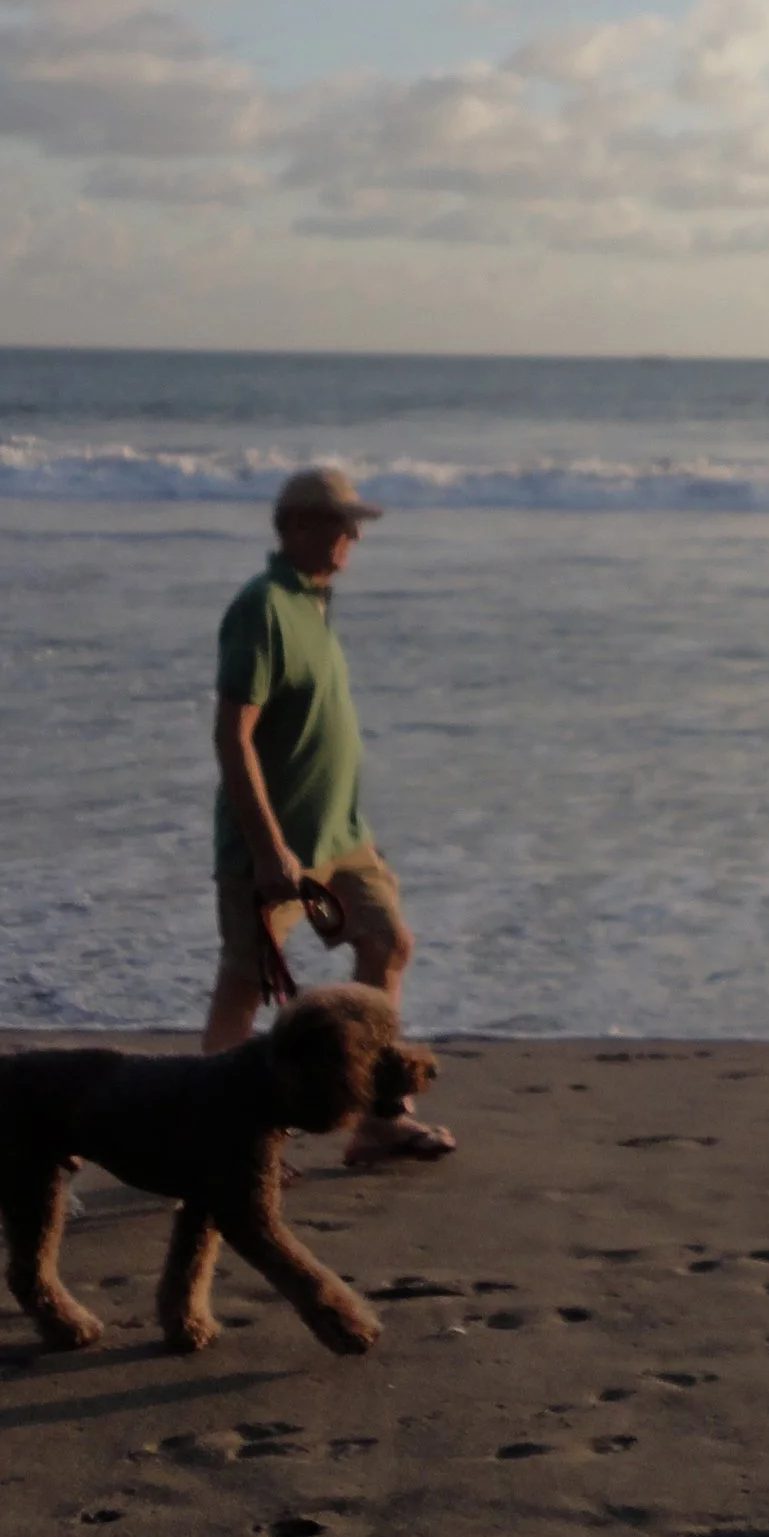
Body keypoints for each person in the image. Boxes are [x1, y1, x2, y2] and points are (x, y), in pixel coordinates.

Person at [204, 463, 453, 1164]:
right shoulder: (262, 606)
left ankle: (378, 1115)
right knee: (246, 980)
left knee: (388, 941)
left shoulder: (315, 601)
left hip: (342, 837)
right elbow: (233, 735)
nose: (352, 538)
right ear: (296, 528)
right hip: (275, 843)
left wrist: (349, 832)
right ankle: (218, 1131)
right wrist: (269, 847)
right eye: (342, 524)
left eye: (356, 526)